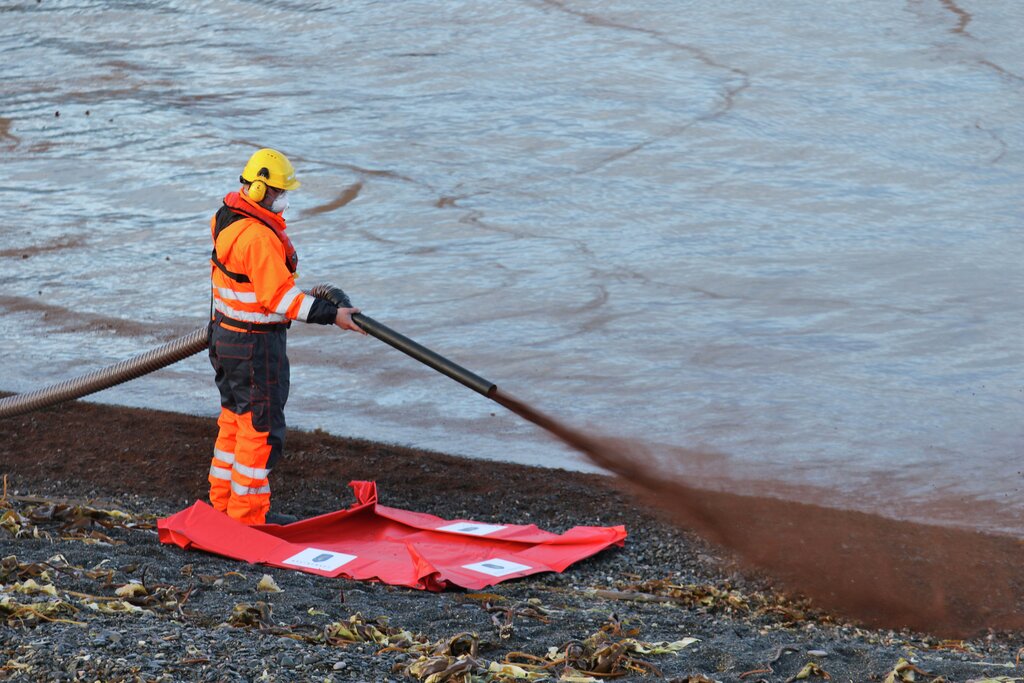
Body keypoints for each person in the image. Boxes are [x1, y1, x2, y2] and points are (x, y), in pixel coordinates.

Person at [206, 148, 364, 526]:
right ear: (260, 190)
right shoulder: (259, 237)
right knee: (260, 431)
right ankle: (247, 518)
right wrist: (333, 315)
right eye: (279, 192)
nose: (284, 200)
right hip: (255, 346)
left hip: (224, 338)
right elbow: (279, 299)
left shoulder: (226, 218)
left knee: (234, 421)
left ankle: (222, 505)